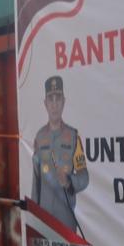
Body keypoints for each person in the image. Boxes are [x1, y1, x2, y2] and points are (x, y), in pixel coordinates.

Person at [31, 76, 89, 233]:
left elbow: (84, 177)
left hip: (66, 221)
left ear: (64, 101)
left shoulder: (73, 136)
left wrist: (69, 181)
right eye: (51, 99)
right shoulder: (39, 136)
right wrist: (34, 215)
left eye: (58, 98)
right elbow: (36, 179)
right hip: (44, 220)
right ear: (45, 103)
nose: (54, 104)